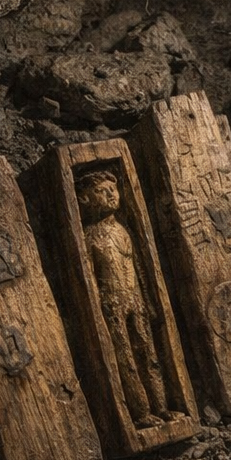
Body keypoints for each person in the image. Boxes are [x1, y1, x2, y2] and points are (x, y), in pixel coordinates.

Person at [76, 169, 179, 428]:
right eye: (102, 191)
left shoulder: (123, 230)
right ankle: (141, 412)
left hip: (135, 299)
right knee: (125, 359)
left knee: (149, 354)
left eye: (113, 189)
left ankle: (162, 407)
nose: (111, 195)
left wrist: (147, 299)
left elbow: (140, 269)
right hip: (111, 301)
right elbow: (89, 279)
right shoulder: (89, 236)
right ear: (85, 199)